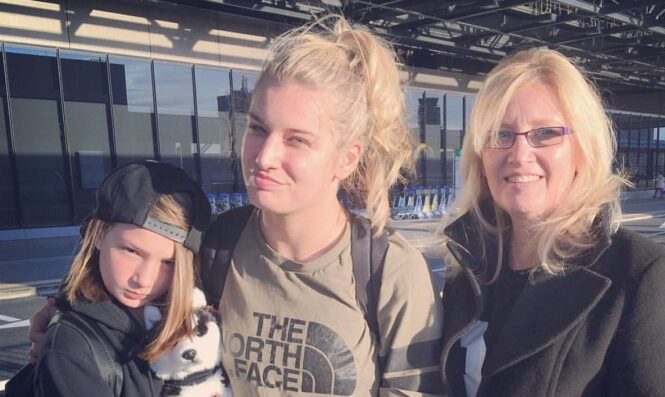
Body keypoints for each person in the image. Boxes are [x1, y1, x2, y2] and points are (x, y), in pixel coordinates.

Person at [29, 15, 444, 397]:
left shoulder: (389, 271)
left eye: (297, 139)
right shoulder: (219, 244)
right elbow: (134, 296)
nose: (264, 157)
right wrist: (61, 313)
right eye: (258, 128)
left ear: (347, 157)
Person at [439, 48, 665, 396]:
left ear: (582, 149)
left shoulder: (641, 276)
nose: (519, 155)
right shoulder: (468, 271)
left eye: (545, 133)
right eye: (500, 134)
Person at [33, 160, 211, 396]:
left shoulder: (201, 317)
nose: (144, 280)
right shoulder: (71, 350)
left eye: (169, 263)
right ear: (99, 234)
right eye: (132, 251)